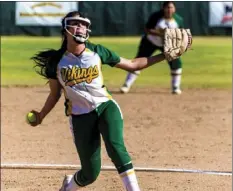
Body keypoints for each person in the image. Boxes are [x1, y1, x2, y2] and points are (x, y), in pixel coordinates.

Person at [29, 11, 169, 191]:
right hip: (80, 117)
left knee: (116, 147)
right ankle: (68, 187)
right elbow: (55, 94)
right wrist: (41, 115)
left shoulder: (97, 51)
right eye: (76, 23)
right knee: (90, 173)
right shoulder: (56, 62)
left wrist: (165, 55)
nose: (81, 27)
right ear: (65, 29)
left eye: (84, 25)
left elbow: (133, 64)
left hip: (105, 106)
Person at [120, 1, 184, 94]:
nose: (169, 10)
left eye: (171, 7)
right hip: (150, 42)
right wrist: (161, 34)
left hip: (167, 44)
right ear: (163, 8)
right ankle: (126, 84)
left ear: (174, 9)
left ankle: (175, 87)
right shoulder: (156, 17)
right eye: (167, 7)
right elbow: (147, 29)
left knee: (176, 63)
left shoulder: (178, 20)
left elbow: (181, 33)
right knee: (138, 61)